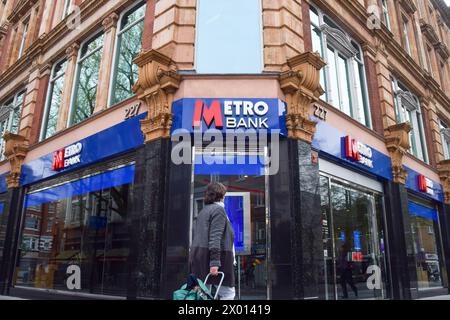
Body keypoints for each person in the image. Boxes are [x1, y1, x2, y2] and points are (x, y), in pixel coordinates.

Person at [189, 182, 236, 300]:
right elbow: (215, 237)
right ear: (221, 195)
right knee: (228, 293)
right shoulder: (218, 210)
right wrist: (215, 263)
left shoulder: (203, 211)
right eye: (224, 194)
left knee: (203, 293)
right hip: (215, 259)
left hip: (199, 257)